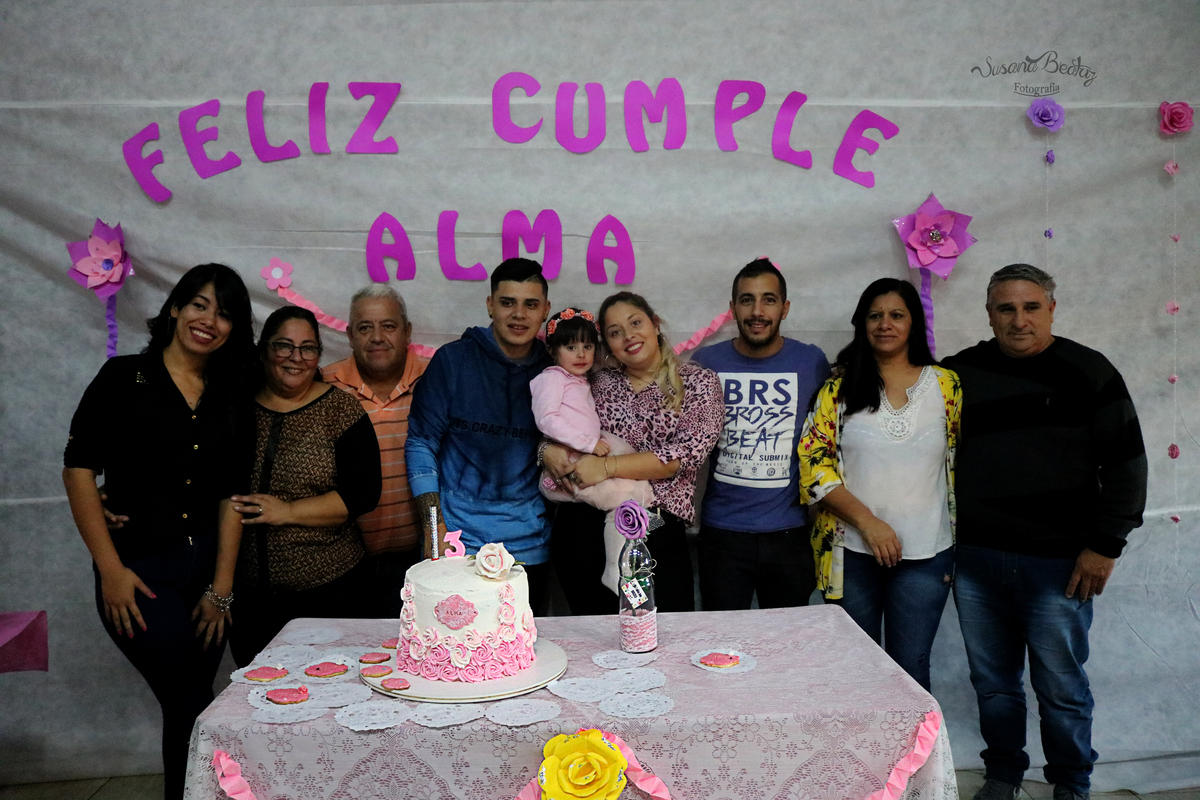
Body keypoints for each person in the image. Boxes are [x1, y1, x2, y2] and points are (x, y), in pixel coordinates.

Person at [943, 264, 1147, 800]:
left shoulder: (1090, 371)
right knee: (993, 685)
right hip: (978, 561)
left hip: (1060, 565)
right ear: (988, 314)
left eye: (1031, 307)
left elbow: (1127, 466)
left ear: (1051, 308)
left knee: (1061, 688)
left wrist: (1104, 546)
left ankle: (1070, 783)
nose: (1019, 320)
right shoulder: (959, 374)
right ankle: (1004, 773)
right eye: (1005, 308)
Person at [63, 263, 254, 800]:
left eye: (225, 313)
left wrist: (221, 591)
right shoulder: (125, 378)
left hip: (206, 582)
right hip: (140, 575)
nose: (209, 320)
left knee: (187, 706)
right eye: (199, 304)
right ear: (174, 308)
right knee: (194, 701)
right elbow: (78, 469)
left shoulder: (229, 394)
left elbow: (231, 497)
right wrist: (111, 571)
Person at [798, 277, 960, 692]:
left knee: (911, 677)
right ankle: (859, 760)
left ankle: (915, 760)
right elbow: (814, 464)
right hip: (852, 556)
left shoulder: (947, 385)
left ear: (913, 323)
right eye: (875, 315)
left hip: (926, 556)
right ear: (862, 324)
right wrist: (868, 523)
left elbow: (960, 462)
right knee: (856, 677)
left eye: (896, 315)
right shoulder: (839, 389)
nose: (884, 324)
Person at [545, 292, 723, 614]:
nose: (628, 336)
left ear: (655, 325)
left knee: (661, 638)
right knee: (593, 640)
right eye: (615, 332)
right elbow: (551, 420)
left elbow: (682, 456)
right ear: (608, 344)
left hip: (655, 528)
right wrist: (545, 450)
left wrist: (608, 467)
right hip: (584, 528)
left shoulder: (698, 382)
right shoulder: (596, 381)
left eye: (636, 323)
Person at [229, 306, 382, 666]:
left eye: (308, 348)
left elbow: (363, 493)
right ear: (265, 349)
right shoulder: (236, 408)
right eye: (284, 346)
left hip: (329, 591)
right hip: (249, 598)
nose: (295, 358)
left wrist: (287, 512)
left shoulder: (341, 412)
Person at [405, 257, 553, 612]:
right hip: (458, 542)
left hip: (529, 544)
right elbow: (421, 442)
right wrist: (432, 526)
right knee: (455, 654)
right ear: (490, 304)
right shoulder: (453, 361)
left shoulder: (555, 370)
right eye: (507, 302)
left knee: (517, 652)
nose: (518, 314)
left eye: (530, 304)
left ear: (545, 310)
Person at [691, 258, 830, 610]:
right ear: (732, 308)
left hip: (789, 535)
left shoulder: (811, 361)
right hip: (722, 533)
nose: (757, 310)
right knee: (720, 647)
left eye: (768, 299)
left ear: (785, 308)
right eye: (746, 299)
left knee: (785, 651)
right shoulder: (706, 362)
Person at [532, 307, 656, 592]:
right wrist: (588, 444)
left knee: (625, 464)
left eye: (587, 346)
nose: (581, 354)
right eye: (570, 347)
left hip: (584, 453)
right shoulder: (551, 378)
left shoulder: (585, 379)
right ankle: (614, 569)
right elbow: (546, 420)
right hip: (566, 468)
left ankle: (642, 501)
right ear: (552, 349)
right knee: (621, 499)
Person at [322, 284, 430, 615]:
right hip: (344, 564)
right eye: (365, 327)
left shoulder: (436, 378)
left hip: (422, 559)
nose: (377, 337)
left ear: (407, 331)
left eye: (388, 325)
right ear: (350, 335)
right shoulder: (324, 387)